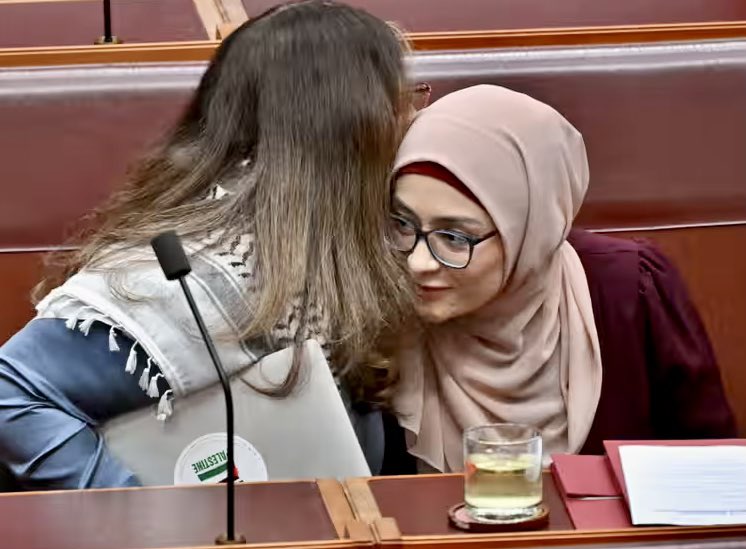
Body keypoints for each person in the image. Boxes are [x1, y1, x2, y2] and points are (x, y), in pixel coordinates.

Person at [0, 0, 416, 490]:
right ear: (353, 131)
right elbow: (10, 393)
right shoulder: (196, 275)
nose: (414, 118)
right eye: (404, 101)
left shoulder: (348, 244)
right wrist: (134, 511)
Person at [381, 84, 736, 474]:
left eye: (453, 237)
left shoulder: (629, 293)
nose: (416, 263)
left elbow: (717, 473)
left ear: (529, 231)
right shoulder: (380, 308)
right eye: (402, 224)